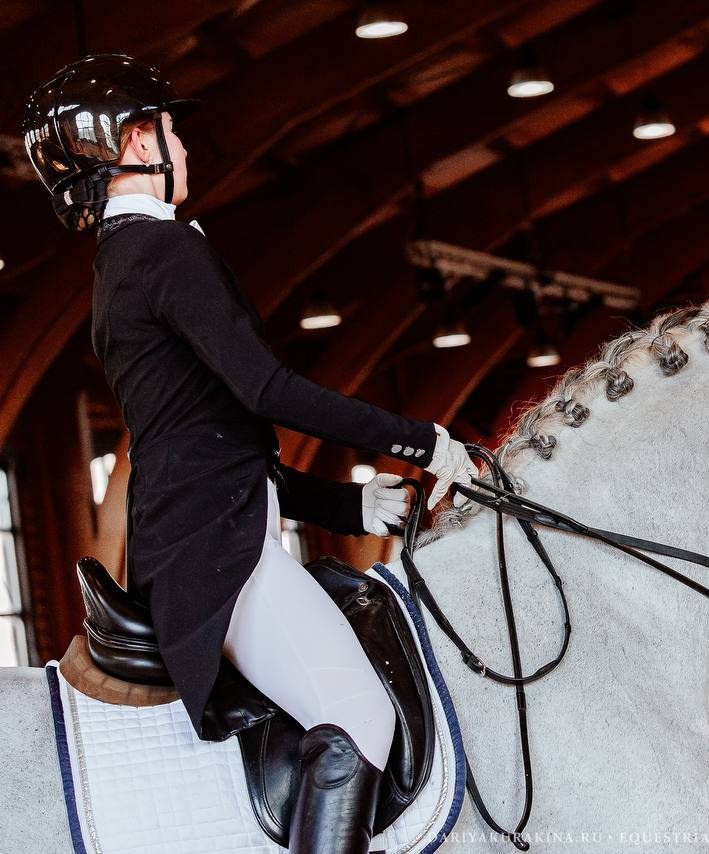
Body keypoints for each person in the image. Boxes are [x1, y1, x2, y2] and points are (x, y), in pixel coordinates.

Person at [22, 54, 479, 854]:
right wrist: (421, 438)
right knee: (359, 718)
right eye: (172, 130)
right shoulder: (163, 253)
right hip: (220, 560)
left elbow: (205, 444)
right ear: (136, 143)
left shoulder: (122, 264)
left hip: (209, 538)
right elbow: (265, 390)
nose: (185, 149)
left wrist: (346, 506)